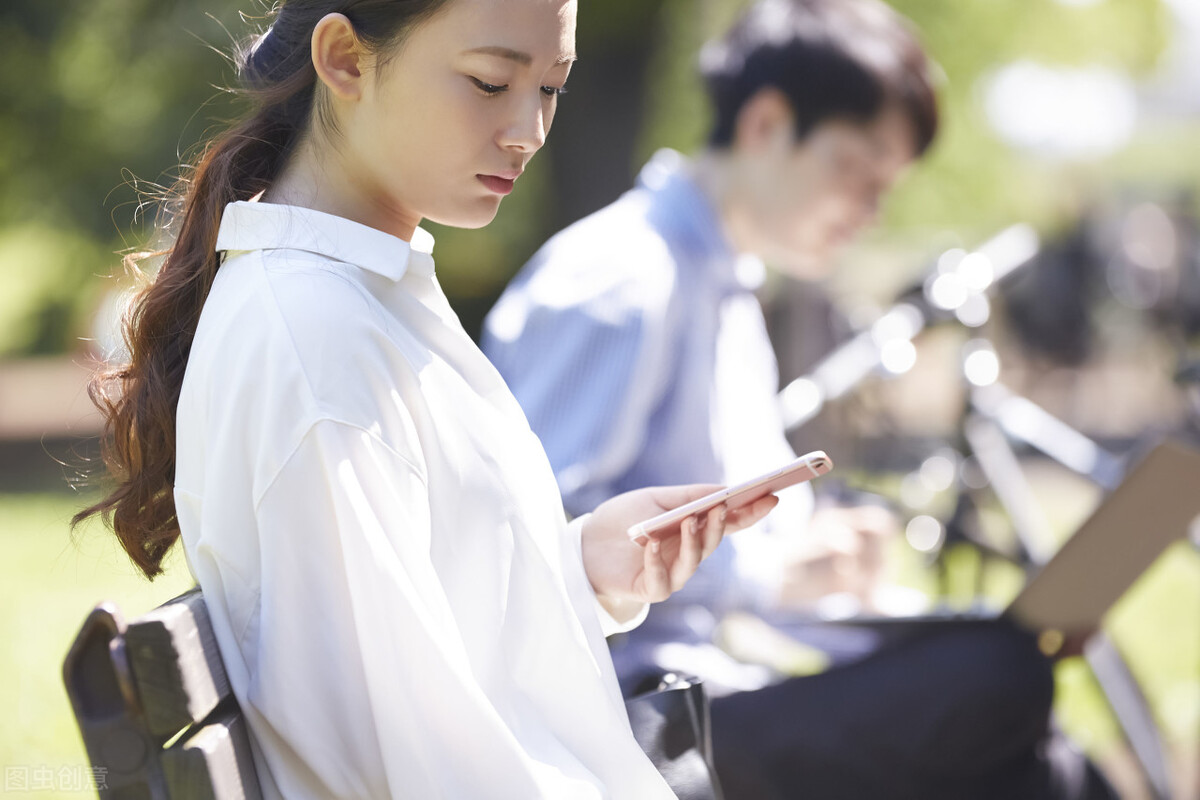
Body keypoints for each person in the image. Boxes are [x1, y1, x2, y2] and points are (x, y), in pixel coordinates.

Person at [73, 1, 782, 797]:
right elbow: (409, 754)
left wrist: (584, 571)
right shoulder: (316, 334)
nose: (529, 130)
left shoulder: (364, 295)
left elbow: (409, 657)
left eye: (551, 88)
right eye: (489, 81)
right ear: (344, 60)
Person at [483, 0, 1119, 798]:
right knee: (1001, 677)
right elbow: (517, 550)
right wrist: (771, 576)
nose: (869, 212)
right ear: (768, 123)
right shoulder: (623, 278)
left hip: (720, 684)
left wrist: (827, 568)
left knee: (1050, 765)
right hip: (632, 724)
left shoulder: (727, 294)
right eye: (858, 171)